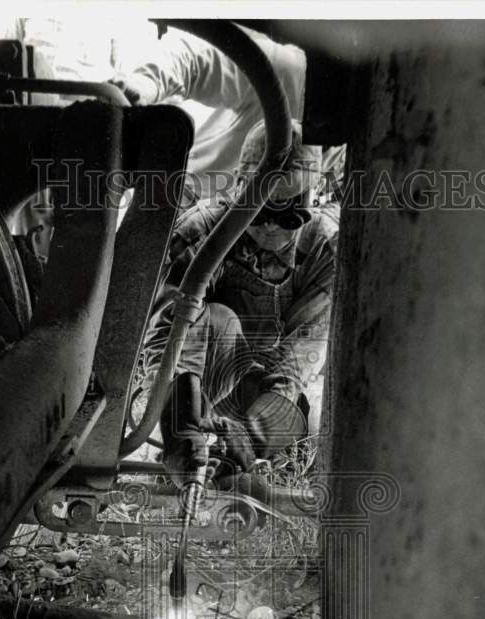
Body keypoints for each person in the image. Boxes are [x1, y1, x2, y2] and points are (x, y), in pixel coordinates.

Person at [142, 119, 339, 484]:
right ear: (239, 188)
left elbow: (297, 364)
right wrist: (180, 423)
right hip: (201, 386)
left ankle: (237, 458)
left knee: (318, 426)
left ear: (313, 197)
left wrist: (250, 437)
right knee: (219, 318)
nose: (270, 226)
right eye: (260, 210)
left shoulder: (323, 251)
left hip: (270, 394)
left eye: (287, 214)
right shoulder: (201, 231)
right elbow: (164, 338)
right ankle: (186, 443)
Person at [110, 26, 307, 204]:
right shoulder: (287, 71)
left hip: (258, 223)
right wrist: (146, 84)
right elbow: (196, 60)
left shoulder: (329, 149)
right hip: (190, 199)